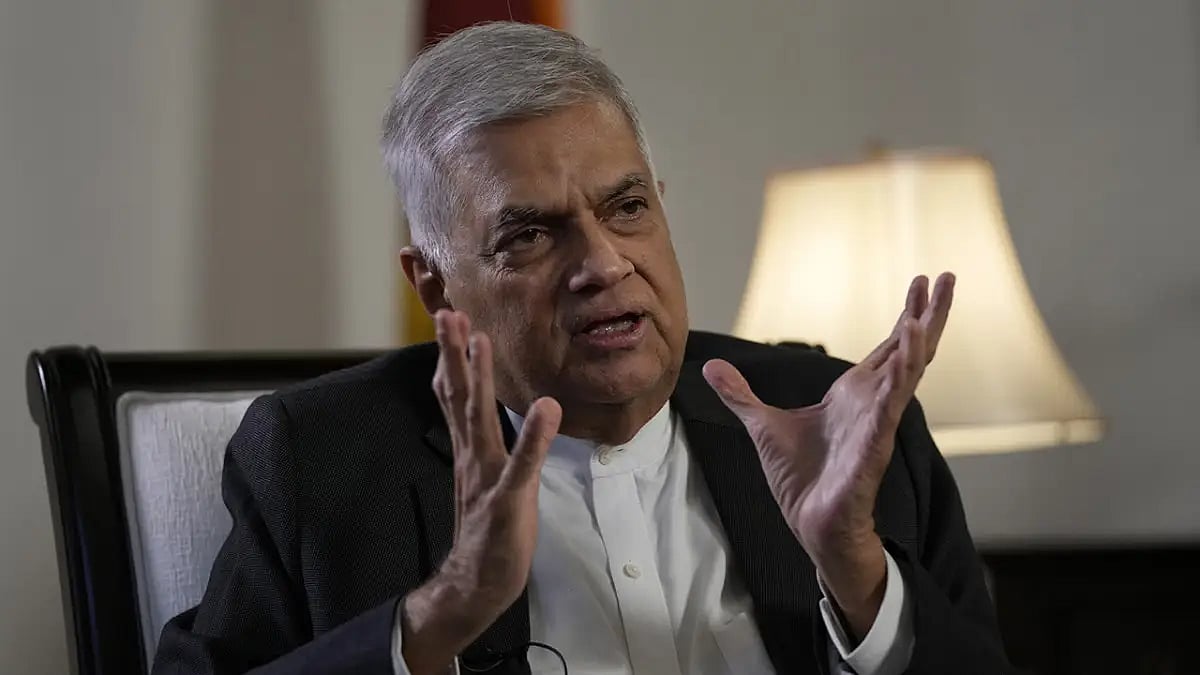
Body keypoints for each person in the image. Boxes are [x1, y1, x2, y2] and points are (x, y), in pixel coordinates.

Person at [154, 21, 1012, 675]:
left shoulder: (836, 420)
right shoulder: (321, 458)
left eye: (627, 207)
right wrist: (440, 615)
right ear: (436, 286)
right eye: (529, 235)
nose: (603, 264)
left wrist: (858, 572)